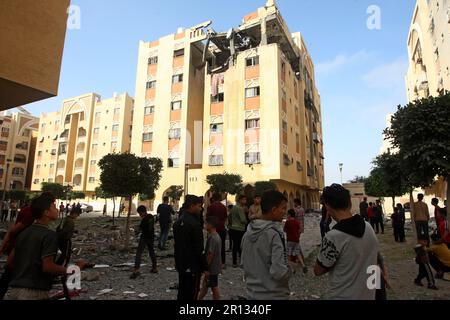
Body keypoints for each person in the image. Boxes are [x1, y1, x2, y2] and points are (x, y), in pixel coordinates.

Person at [6, 193, 86, 300]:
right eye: (53, 207)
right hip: (35, 292)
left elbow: (10, 262)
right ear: (46, 213)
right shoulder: (49, 235)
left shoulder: (24, 233)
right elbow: (47, 266)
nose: (57, 209)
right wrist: (74, 269)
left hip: (15, 291)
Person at [314, 184, 379, 300]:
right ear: (349, 203)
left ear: (328, 207)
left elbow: (318, 270)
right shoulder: (369, 228)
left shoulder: (333, 237)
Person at [241, 190, 292, 300]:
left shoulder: (247, 233)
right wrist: (290, 269)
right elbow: (279, 272)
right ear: (273, 210)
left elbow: (244, 264)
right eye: (283, 208)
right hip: (274, 295)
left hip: (252, 293)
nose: (285, 212)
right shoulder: (275, 235)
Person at [173, 195, 206, 300]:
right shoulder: (194, 224)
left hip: (181, 264)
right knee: (192, 293)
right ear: (192, 206)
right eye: (199, 206)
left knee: (182, 292)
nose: (200, 209)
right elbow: (199, 248)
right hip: (192, 266)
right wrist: (204, 267)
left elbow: (177, 244)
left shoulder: (178, 222)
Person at [0, 204, 34, 299]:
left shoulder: (28, 210)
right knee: (9, 274)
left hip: (19, 249)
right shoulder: (30, 213)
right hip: (20, 249)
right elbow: (13, 230)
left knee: (9, 275)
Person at [198, 216, 222, 300]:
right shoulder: (216, 236)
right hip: (214, 267)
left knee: (214, 287)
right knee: (206, 285)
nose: (204, 225)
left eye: (206, 224)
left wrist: (206, 268)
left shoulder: (213, 238)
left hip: (212, 268)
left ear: (210, 225)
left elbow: (210, 254)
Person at [130, 205, 157, 279]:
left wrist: (136, 231)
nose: (139, 215)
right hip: (151, 237)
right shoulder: (151, 217)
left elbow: (139, 230)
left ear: (142, 212)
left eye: (139, 213)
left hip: (144, 238)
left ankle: (136, 269)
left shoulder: (144, 220)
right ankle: (154, 268)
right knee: (151, 252)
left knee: (139, 253)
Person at [206, 193, 228, 268]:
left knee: (212, 247)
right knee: (222, 246)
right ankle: (223, 263)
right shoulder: (223, 207)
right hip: (221, 228)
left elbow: (207, 217)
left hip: (213, 229)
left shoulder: (211, 207)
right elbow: (225, 217)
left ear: (213, 198)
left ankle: (213, 262)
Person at [284, 209, 307, 273]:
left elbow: (284, 230)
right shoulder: (297, 222)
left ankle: (292, 269)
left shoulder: (287, 222)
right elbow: (299, 230)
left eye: (287, 214)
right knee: (297, 253)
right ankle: (303, 265)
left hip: (290, 240)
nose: (286, 215)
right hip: (296, 240)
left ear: (289, 215)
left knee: (288, 254)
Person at [228, 195, 248, 268]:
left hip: (233, 228)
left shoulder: (233, 207)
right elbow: (243, 220)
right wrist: (246, 221)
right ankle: (241, 261)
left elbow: (229, 217)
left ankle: (234, 262)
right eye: (244, 199)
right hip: (240, 229)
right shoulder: (240, 208)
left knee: (235, 245)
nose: (245, 201)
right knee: (240, 245)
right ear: (240, 200)